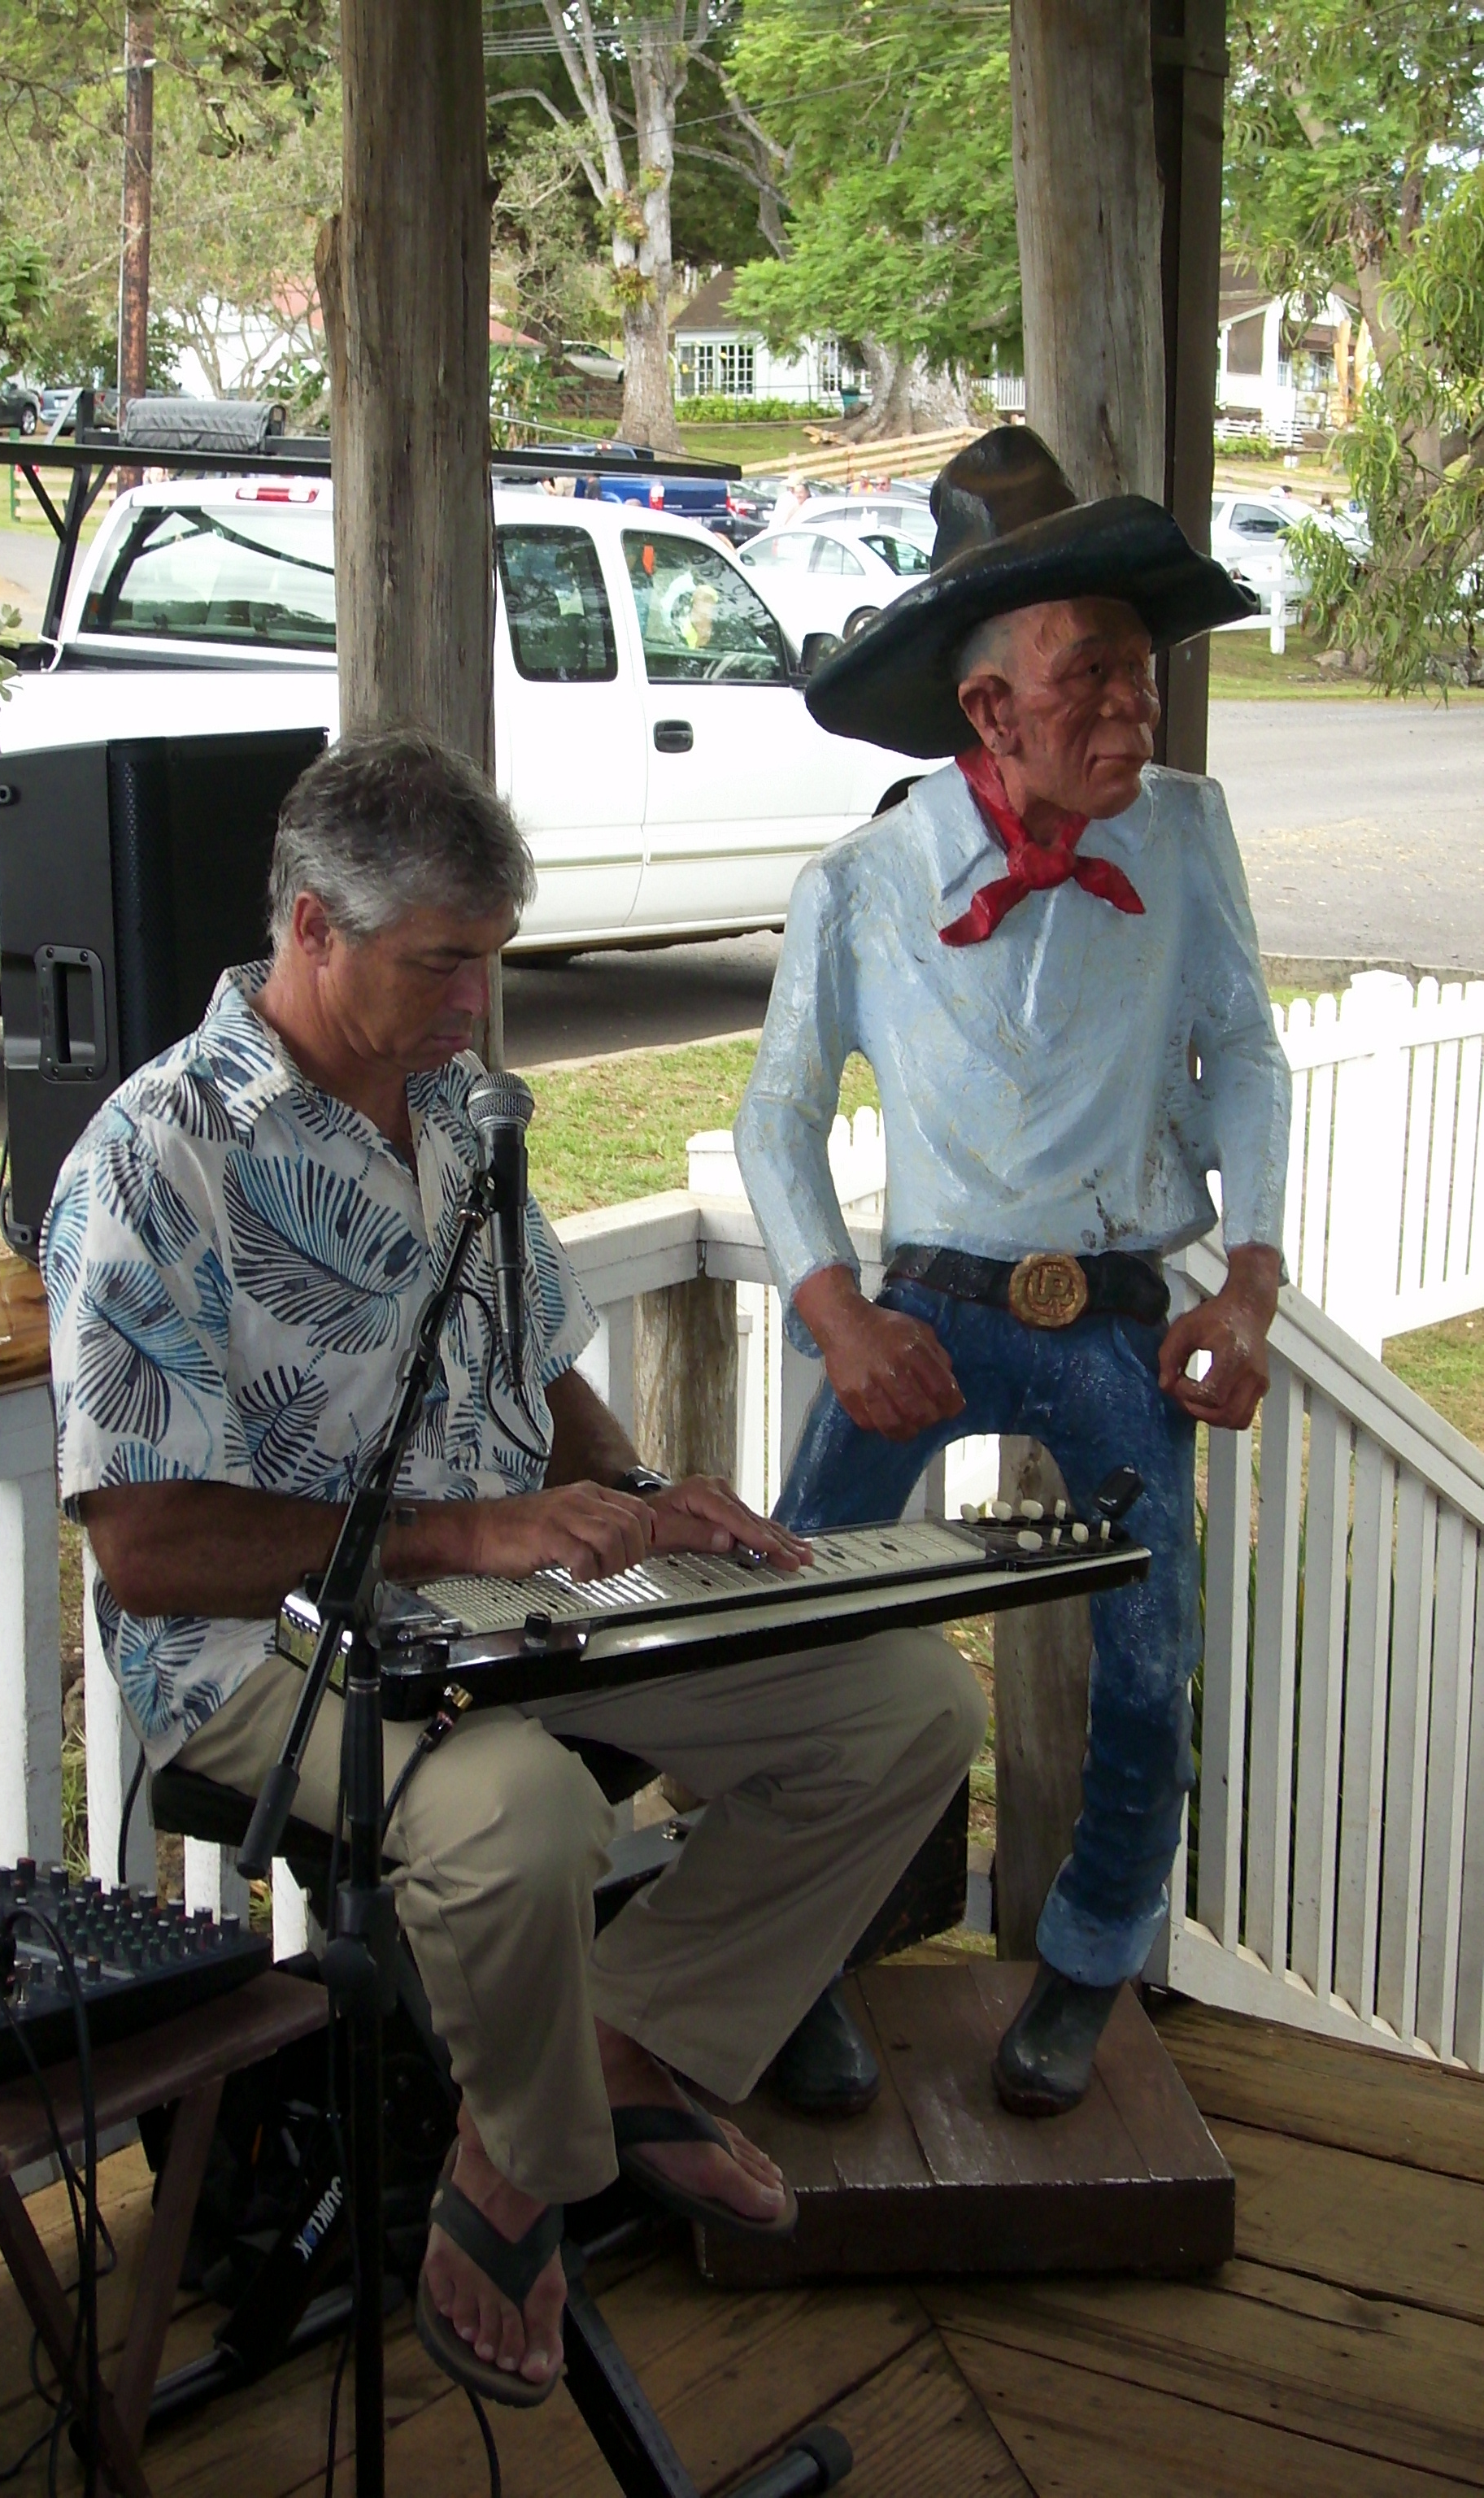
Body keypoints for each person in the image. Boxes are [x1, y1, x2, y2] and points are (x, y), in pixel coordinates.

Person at [41, 731, 985, 2409]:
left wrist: (642, 1496)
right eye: (441, 963)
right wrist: (457, 1536)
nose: (476, 1003)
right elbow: (149, 1544)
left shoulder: (463, 1113)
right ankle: (525, 2175)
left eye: (492, 958)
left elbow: (539, 1370)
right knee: (522, 1817)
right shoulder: (154, 1154)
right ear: (312, 928)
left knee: (906, 1707)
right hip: (262, 1660)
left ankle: (626, 2046)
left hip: (523, 1611)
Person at [734, 426, 1291, 2117]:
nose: (1137, 710)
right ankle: (789, 1960)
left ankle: (1091, 1960)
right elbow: (775, 1115)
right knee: (798, 1631)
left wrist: (1246, 1280)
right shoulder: (866, 880)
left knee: (1149, 1665)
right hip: (926, 1314)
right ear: (990, 710)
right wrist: (835, 1311)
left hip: (1121, 1317)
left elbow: (1244, 1057)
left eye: (1143, 671)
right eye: (1093, 676)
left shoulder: (1184, 840)